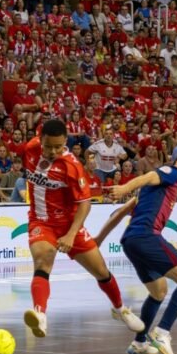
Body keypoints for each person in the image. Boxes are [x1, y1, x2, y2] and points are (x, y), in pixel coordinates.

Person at [21, 119, 144, 339]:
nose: (53, 151)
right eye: (48, 146)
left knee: (101, 271)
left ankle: (120, 309)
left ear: (65, 142)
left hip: (70, 226)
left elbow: (85, 204)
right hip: (41, 222)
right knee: (42, 260)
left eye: (59, 146)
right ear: (40, 140)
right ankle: (40, 314)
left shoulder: (72, 166)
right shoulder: (31, 148)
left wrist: (70, 235)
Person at [95, 153, 177, 354]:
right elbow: (148, 176)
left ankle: (139, 343)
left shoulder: (156, 191)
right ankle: (162, 332)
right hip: (146, 237)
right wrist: (125, 188)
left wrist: (99, 238)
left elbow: (121, 212)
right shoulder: (172, 172)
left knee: (158, 291)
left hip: (130, 242)